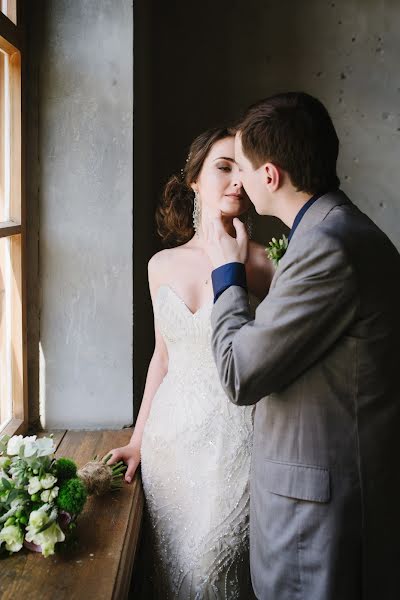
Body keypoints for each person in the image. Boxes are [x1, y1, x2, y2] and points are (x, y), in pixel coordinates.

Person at [205, 92, 400, 600]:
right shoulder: (337, 231)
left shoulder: (326, 248)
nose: (239, 183)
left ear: (270, 176)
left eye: (243, 168)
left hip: (316, 520)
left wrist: (228, 273)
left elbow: (239, 372)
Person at [106, 127, 274, 598]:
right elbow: (162, 357)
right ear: (195, 179)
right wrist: (138, 441)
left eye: (244, 167)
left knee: (215, 564)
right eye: (224, 166)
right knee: (172, 573)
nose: (237, 178)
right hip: (170, 447)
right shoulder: (161, 264)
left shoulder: (267, 266)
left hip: (240, 442)